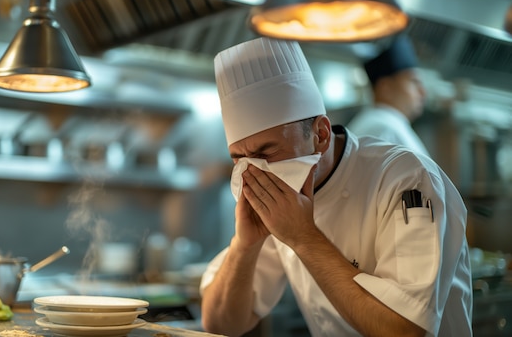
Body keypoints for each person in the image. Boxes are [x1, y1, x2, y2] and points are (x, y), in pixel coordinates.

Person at [199, 37, 472, 337]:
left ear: (320, 134)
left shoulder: (405, 179)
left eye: (267, 152)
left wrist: (304, 238)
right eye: (240, 158)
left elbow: (406, 331)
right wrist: (245, 244)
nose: (255, 171)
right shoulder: (280, 203)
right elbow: (221, 324)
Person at [347, 33, 429, 156]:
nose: (422, 92)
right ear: (386, 88)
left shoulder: (389, 123)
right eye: (414, 82)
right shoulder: (383, 127)